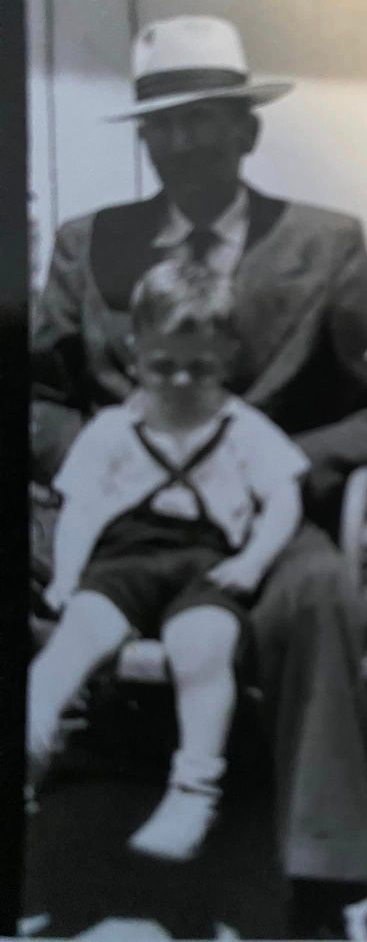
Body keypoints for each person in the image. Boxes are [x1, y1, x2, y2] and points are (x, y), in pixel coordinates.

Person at [31, 15, 367, 933]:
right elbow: (36, 395)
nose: (188, 140)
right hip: (126, 515)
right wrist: (100, 469)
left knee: (320, 590)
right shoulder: (92, 246)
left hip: (263, 521)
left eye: (209, 119)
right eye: (166, 122)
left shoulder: (326, 243)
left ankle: (320, 870)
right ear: (146, 137)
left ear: (249, 130)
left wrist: (268, 471)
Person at [29, 259, 307, 862]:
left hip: (206, 564)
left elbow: (284, 498)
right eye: (163, 367)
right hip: (125, 559)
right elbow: (77, 509)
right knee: (80, 631)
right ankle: (33, 731)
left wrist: (255, 561)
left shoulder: (242, 428)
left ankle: (194, 787)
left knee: (203, 644)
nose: (181, 382)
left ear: (228, 357)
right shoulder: (113, 428)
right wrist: (70, 575)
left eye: (200, 369)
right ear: (135, 354)